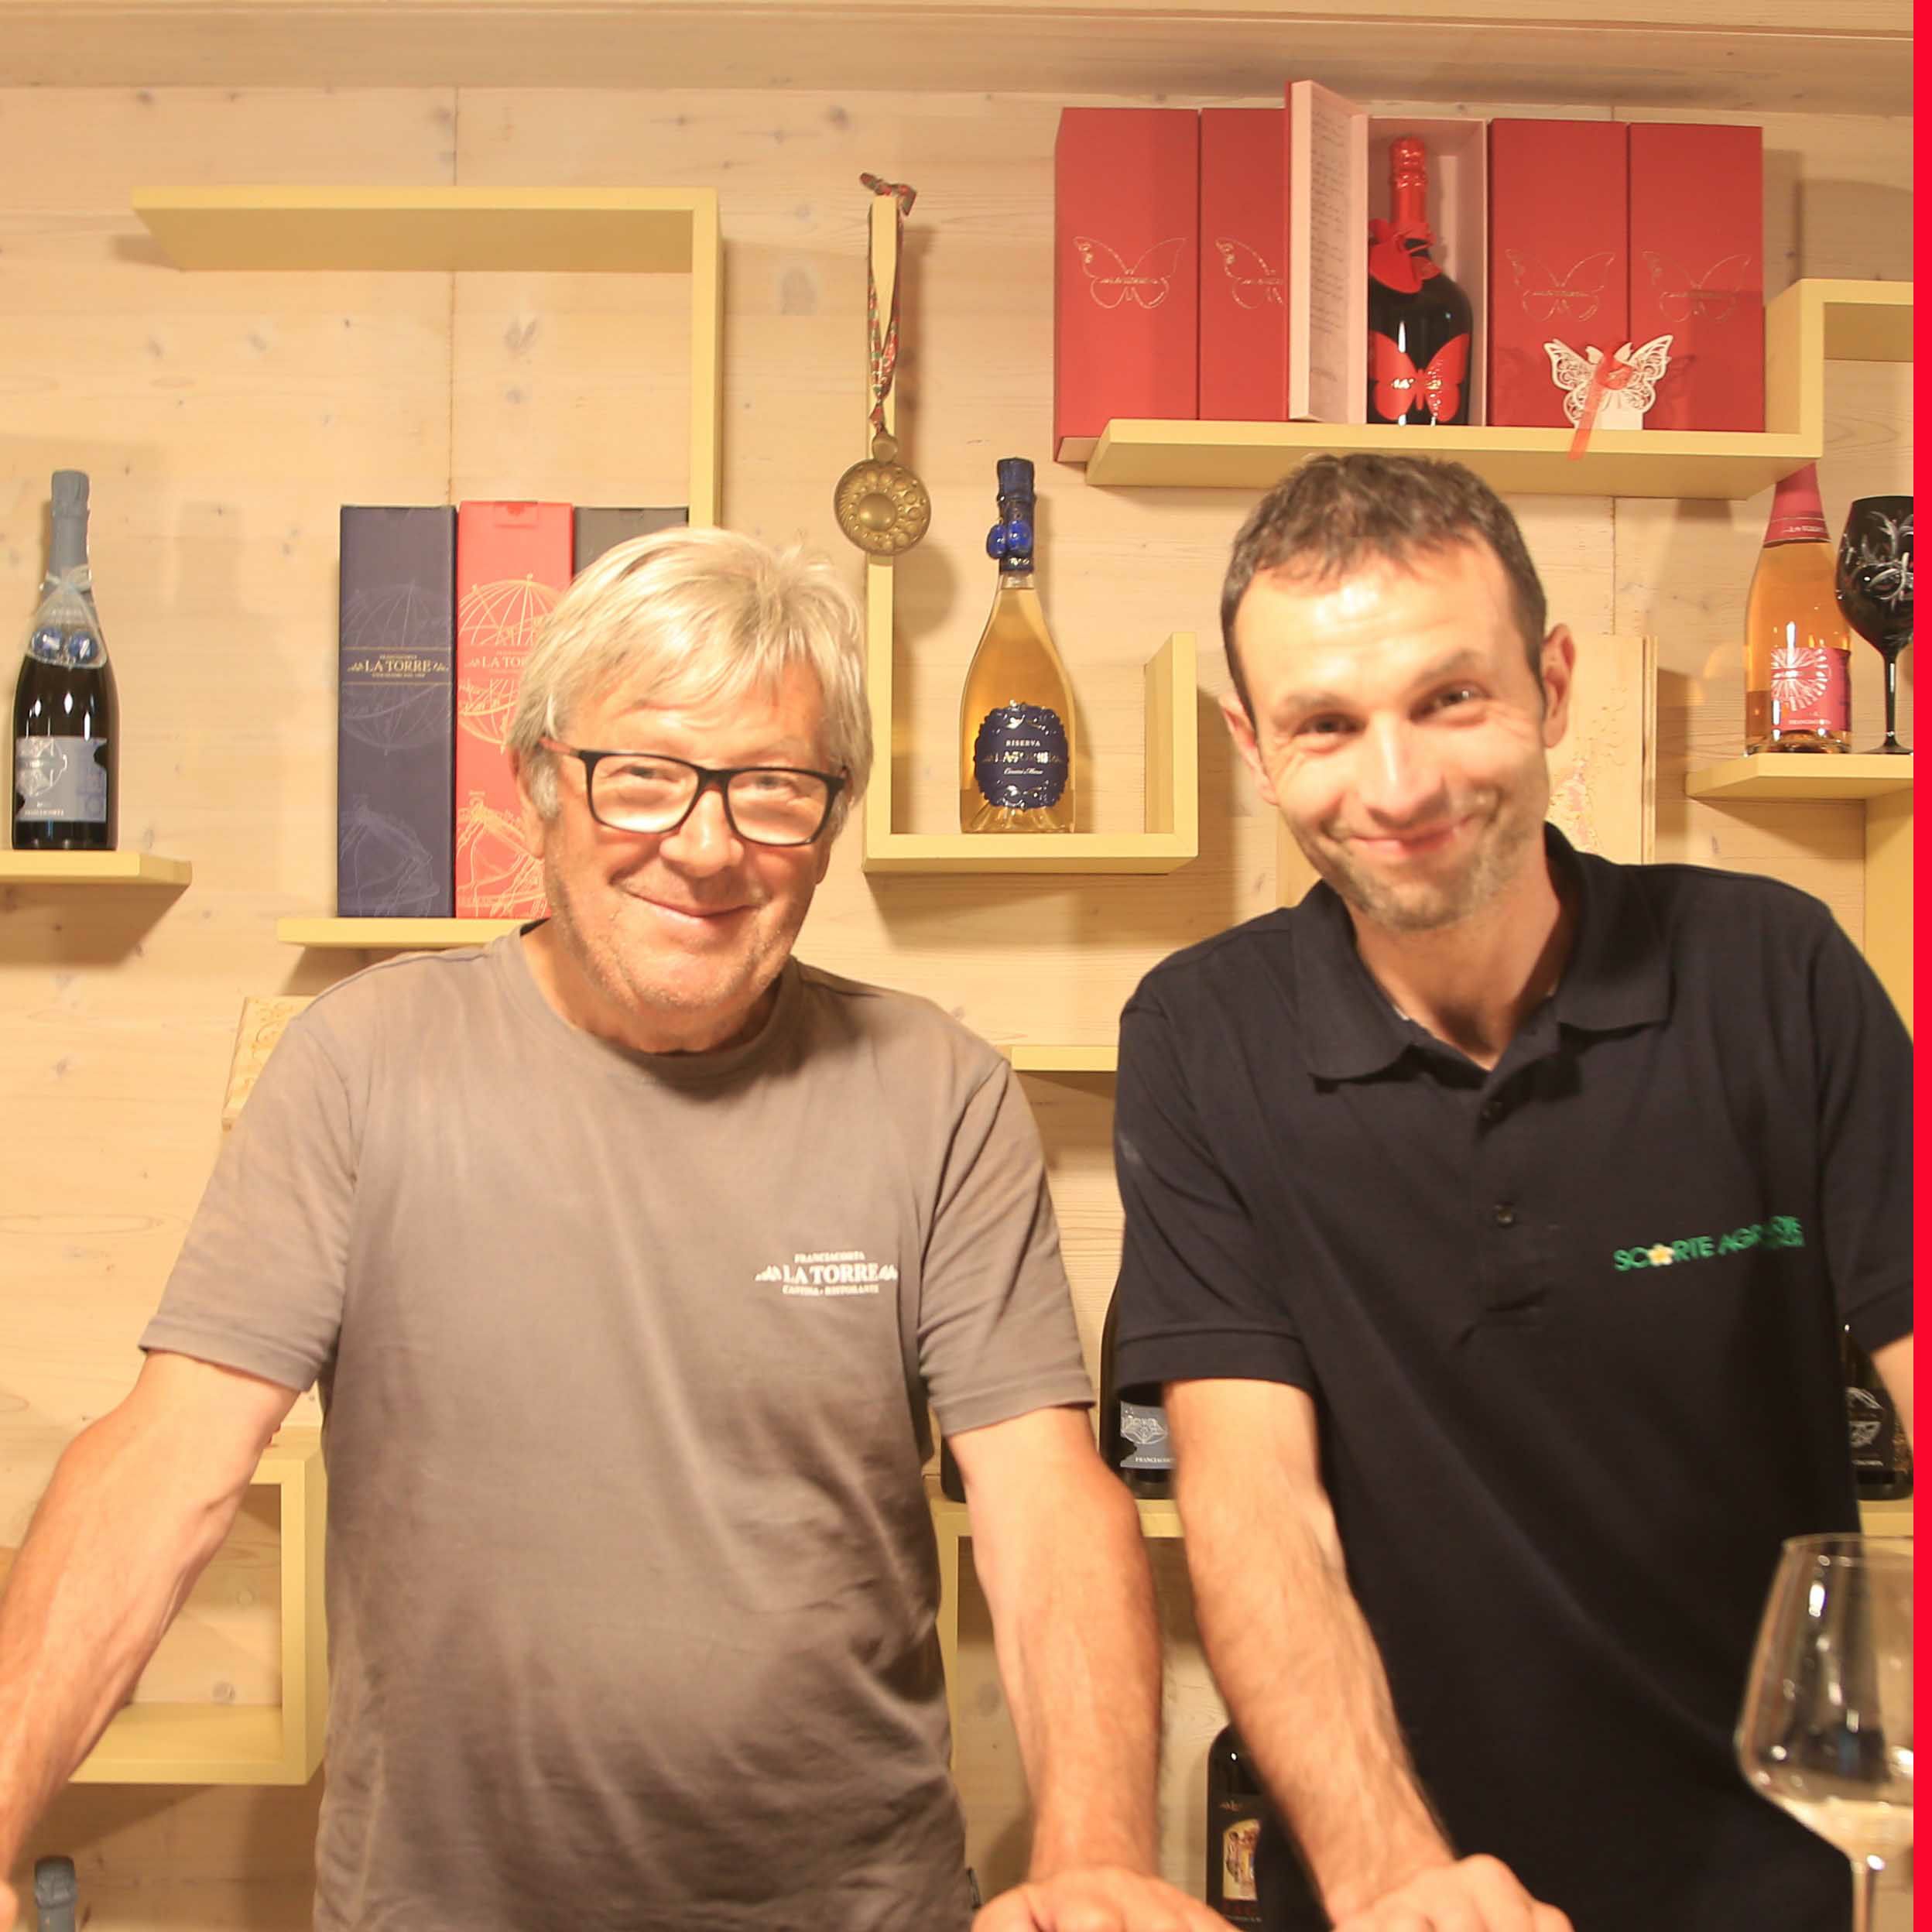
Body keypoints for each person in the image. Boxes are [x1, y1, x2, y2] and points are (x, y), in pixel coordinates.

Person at [0, 528, 1225, 1932]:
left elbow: (1047, 1504)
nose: (705, 848)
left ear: (830, 823)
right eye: (642, 775)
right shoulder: (361, 1064)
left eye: (772, 789)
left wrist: (1096, 1854)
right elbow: (167, 1462)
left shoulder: (939, 1091)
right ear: (540, 785)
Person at [1109, 454, 1913, 1932]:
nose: (1397, 785)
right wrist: (1393, 1878)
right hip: (1392, 1896)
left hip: (1786, 1883)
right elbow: (1256, 1503)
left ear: (1549, 684)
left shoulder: (1776, 971)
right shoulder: (1202, 1035)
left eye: (1450, 698)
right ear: (1252, 743)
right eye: (1326, 724)